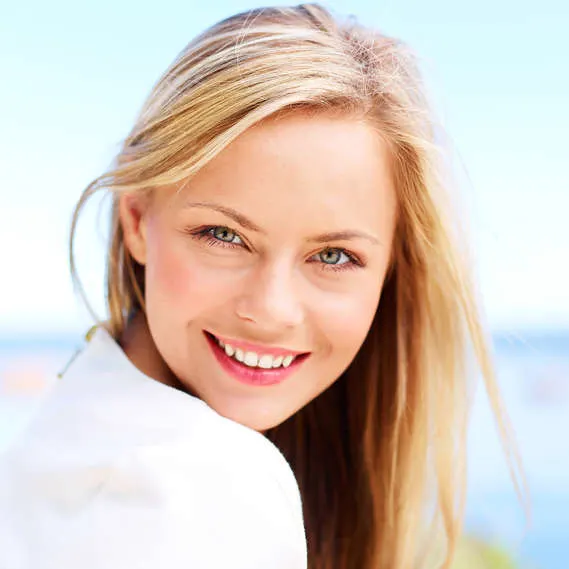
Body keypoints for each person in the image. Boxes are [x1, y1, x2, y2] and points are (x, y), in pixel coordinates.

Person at [0, 4, 525, 569]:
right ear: (136, 223)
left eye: (333, 255)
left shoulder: (63, 430)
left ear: (392, 268)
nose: (271, 310)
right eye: (223, 235)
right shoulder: (214, 486)